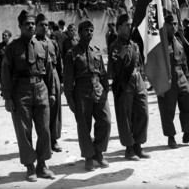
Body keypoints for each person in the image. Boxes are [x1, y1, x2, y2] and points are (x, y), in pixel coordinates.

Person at [1, 10, 56, 182]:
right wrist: (8, 97)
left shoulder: (43, 45)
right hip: (21, 91)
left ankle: (42, 164)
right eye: (27, 24)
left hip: (41, 89)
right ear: (20, 26)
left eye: (33, 23)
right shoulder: (12, 48)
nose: (31, 26)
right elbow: (5, 73)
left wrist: (52, 92)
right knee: (24, 131)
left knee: (45, 129)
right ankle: (30, 166)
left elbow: (49, 71)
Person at [63, 20, 111, 171]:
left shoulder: (96, 51)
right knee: (84, 126)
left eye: (91, 30)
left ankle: (98, 152)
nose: (89, 32)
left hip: (98, 89)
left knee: (106, 121)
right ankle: (88, 157)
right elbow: (68, 80)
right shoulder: (71, 53)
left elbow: (102, 73)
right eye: (85, 30)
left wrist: (105, 90)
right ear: (79, 32)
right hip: (81, 91)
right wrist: (70, 100)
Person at [109, 14, 150, 161]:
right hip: (124, 84)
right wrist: (121, 55)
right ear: (119, 27)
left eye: (131, 24)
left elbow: (139, 64)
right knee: (125, 117)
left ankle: (138, 144)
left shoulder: (134, 45)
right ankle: (129, 148)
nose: (130, 27)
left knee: (143, 113)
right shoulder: (115, 46)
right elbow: (113, 69)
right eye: (127, 25)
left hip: (138, 81)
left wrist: (144, 80)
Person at [159, 14, 189, 149]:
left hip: (181, 77)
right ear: (165, 26)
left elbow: (184, 62)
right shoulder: (160, 44)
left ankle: (187, 133)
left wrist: (186, 80)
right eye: (171, 24)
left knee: (188, 105)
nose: (174, 26)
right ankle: (171, 137)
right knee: (168, 110)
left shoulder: (178, 41)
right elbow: (156, 65)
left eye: (176, 24)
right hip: (168, 78)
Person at [35, 14, 63, 153]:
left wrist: (61, 81)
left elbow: (59, 62)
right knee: (43, 110)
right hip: (41, 77)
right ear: (35, 26)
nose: (45, 27)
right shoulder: (33, 43)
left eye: (46, 25)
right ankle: (44, 141)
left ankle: (54, 139)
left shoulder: (53, 43)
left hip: (54, 76)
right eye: (41, 24)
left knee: (55, 109)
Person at [0, 30, 12, 97]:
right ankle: (3, 93)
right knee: (2, 81)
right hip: (2, 67)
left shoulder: (12, 46)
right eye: (3, 35)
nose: (3, 36)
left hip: (11, 67)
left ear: (9, 37)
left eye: (5, 35)